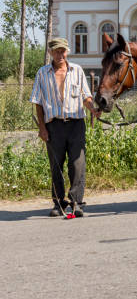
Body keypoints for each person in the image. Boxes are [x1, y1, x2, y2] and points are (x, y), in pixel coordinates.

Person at [30, 37, 101, 217]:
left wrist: (93, 109)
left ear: (67, 51)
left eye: (62, 50)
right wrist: (42, 128)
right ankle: (58, 203)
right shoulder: (42, 73)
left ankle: (76, 202)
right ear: (50, 53)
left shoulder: (77, 70)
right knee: (56, 166)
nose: (59, 54)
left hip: (76, 124)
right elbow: (38, 102)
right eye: (55, 51)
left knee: (77, 165)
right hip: (53, 126)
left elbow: (86, 96)